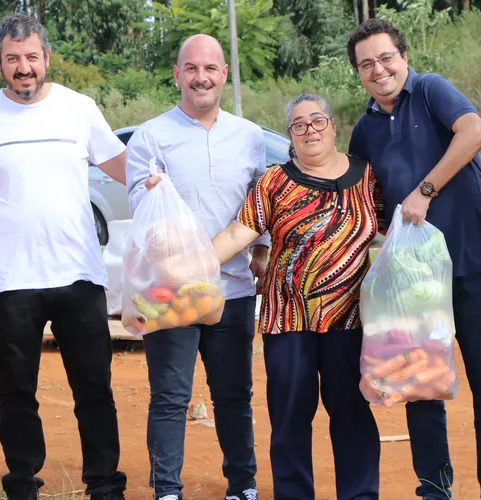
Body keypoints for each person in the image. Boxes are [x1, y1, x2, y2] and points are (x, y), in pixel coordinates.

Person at [0, 13, 129, 500]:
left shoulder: (79, 108)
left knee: (94, 388)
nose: (24, 68)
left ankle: (105, 485)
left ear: (47, 57)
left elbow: (121, 165)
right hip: (10, 278)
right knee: (16, 393)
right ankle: (22, 486)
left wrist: (160, 184)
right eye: (13, 60)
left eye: (32, 57)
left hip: (79, 274)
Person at [347, 18, 481, 500]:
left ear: (403, 57)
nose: (378, 69)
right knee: (421, 387)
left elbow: (475, 131)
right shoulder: (363, 131)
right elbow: (370, 204)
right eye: (366, 64)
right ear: (358, 74)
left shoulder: (431, 91)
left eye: (385, 58)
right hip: (414, 284)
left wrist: (424, 190)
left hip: (471, 267)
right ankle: (434, 488)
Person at [209, 92, 383, 500]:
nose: (310, 130)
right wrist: (191, 264)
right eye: (299, 125)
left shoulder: (366, 176)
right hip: (287, 319)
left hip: (349, 318)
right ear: (290, 135)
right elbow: (240, 232)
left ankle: (359, 495)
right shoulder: (274, 181)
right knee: (289, 415)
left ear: (333, 126)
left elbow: (392, 230)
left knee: (352, 412)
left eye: (317, 121)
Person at [124, 33, 266, 500]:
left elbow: (258, 205)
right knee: (170, 396)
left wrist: (261, 252)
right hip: (170, 292)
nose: (201, 77)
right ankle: (167, 489)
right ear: (177, 75)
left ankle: (242, 485)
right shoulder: (150, 136)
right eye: (191, 68)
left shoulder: (248, 136)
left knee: (233, 396)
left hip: (235, 289)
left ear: (224, 74)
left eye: (210, 68)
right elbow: (142, 212)